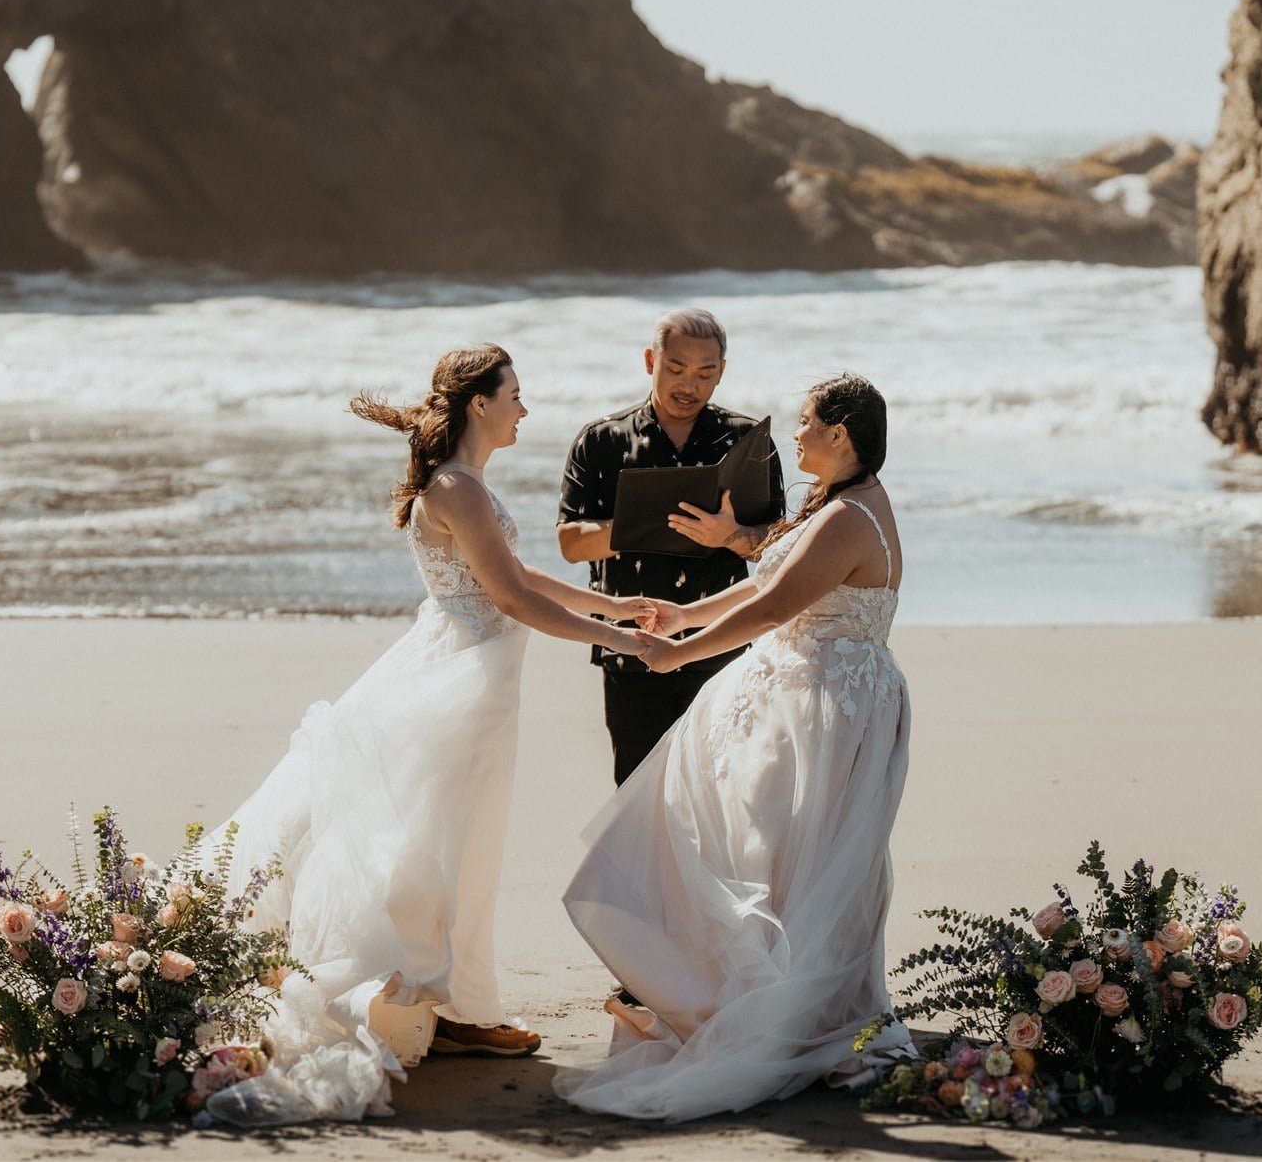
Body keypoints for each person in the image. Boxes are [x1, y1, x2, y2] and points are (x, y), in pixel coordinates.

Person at [205, 345, 648, 1126]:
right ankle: (431, 1003)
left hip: (470, 673)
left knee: (467, 842)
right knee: (438, 841)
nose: (524, 407)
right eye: (515, 393)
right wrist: (625, 639)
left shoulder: (464, 483)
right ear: (480, 402)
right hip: (460, 681)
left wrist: (615, 608)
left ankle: (461, 1007)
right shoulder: (455, 486)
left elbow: (515, 572)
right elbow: (509, 595)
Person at [557, 374, 916, 1121]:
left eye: (810, 423)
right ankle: (755, 1000)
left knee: (794, 859)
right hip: (806, 696)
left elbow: (773, 607)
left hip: (826, 707)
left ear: (842, 435)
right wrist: (683, 615)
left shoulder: (850, 517)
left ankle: (793, 1015)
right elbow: (762, 587)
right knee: (774, 854)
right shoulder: (833, 504)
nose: (797, 434)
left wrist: (675, 655)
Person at [557, 309, 784, 786]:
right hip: (633, 646)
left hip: (725, 645)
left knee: (724, 794)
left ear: (723, 370)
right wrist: (642, 522)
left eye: (705, 373)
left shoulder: (746, 441)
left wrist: (730, 537)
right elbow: (570, 544)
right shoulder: (600, 441)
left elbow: (780, 549)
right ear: (649, 361)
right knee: (638, 793)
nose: (690, 385)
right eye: (676, 368)